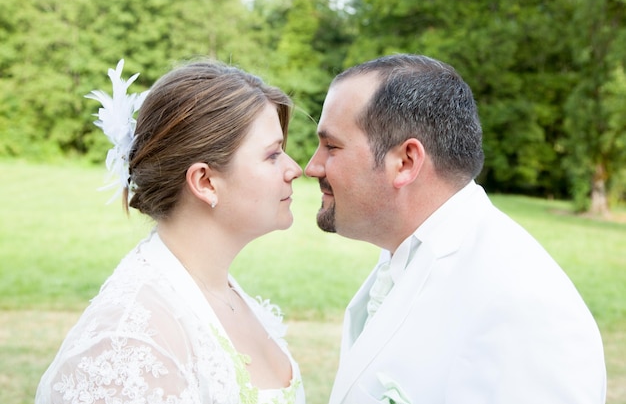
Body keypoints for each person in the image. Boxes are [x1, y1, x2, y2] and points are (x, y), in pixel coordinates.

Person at [305, 54, 606, 404]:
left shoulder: (524, 307)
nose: (312, 166)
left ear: (405, 162)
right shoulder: (404, 254)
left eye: (331, 146)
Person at [36, 59, 305, 404]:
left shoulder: (224, 293)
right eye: (272, 155)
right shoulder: (130, 343)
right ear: (205, 182)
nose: (295, 169)